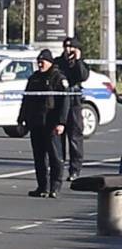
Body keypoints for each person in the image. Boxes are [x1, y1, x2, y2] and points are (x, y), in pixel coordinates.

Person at [20, 49, 72, 199]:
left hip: (52, 124)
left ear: (50, 62)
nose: (40, 64)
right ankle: (42, 186)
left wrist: (61, 123)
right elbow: (27, 100)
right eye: (39, 61)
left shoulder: (58, 78)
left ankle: (55, 187)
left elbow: (64, 102)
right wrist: (21, 119)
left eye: (43, 61)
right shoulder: (34, 78)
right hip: (36, 123)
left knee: (55, 156)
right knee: (39, 157)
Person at [57, 36, 91, 181]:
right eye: (66, 47)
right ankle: (58, 168)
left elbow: (83, 76)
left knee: (75, 137)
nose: (68, 50)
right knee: (58, 138)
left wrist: (77, 61)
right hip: (60, 103)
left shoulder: (80, 64)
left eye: (71, 47)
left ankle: (75, 170)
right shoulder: (58, 62)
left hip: (74, 103)